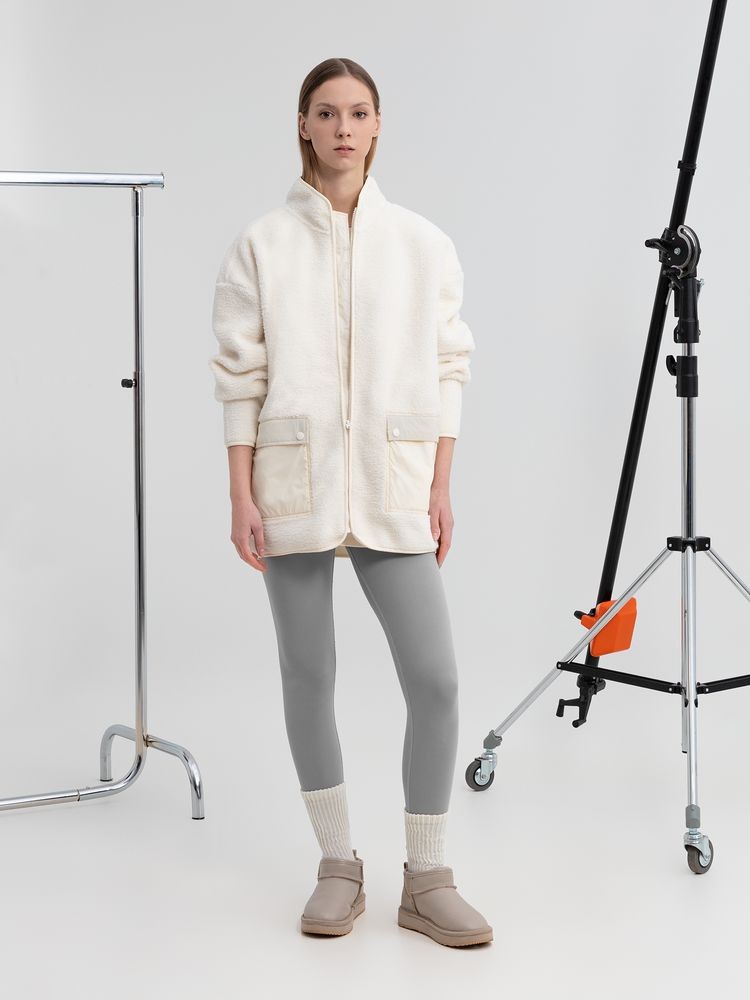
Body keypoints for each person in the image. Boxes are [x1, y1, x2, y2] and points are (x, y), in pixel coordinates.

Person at [208, 56, 492, 948]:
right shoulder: (262, 244)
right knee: (308, 675)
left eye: (358, 112)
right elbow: (240, 379)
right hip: (292, 482)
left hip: (391, 478)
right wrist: (240, 493)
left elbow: (449, 367)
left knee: (436, 681)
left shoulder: (422, 243)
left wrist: (441, 483)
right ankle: (337, 865)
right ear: (303, 124)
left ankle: (428, 878)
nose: (342, 128)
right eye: (326, 112)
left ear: (377, 125)